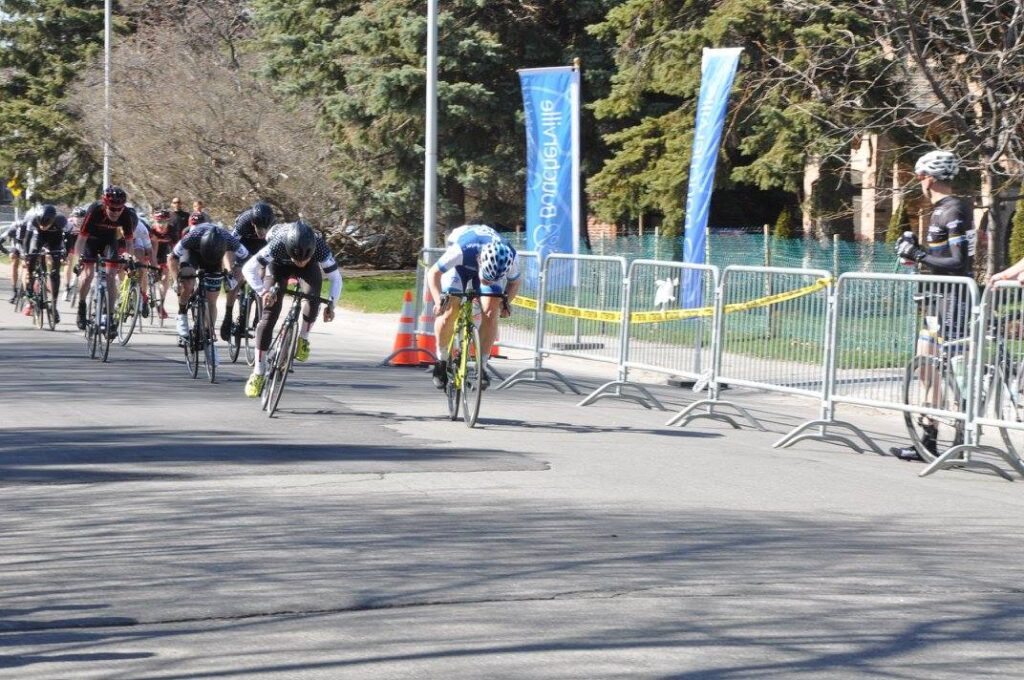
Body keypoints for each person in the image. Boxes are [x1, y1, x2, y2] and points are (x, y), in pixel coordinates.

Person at [891, 149, 975, 461]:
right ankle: (927, 442)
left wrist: (918, 254)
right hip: (936, 299)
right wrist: (916, 251)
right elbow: (941, 259)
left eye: (919, 175)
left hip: (954, 301)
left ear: (930, 178)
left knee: (953, 374)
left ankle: (961, 441)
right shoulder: (940, 209)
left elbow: (958, 261)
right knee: (926, 369)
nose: (919, 181)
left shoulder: (954, 209)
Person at [241, 220, 342, 397]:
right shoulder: (276, 244)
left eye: (305, 258)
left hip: (310, 270)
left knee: (313, 297)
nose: (300, 263)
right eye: (297, 259)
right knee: (269, 314)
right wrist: (263, 292)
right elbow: (248, 268)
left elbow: (336, 278)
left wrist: (332, 304)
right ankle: (258, 372)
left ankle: (303, 338)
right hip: (278, 266)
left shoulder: (320, 247)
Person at [426, 224, 520, 391]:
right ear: (480, 260)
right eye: (487, 277)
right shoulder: (461, 250)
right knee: (449, 310)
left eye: (492, 279)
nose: (488, 282)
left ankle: (481, 367)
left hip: (489, 262)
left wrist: (506, 303)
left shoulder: (510, 256)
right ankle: (441, 361)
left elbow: (514, 283)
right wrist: (438, 300)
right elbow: (433, 273)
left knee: (491, 313)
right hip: (460, 266)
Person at [167, 221, 248, 365]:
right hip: (192, 253)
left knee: (212, 299)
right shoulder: (192, 237)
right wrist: (176, 280)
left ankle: (209, 337)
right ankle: (182, 313)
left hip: (214, 259)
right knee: (188, 281)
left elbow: (247, 257)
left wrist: (234, 273)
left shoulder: (229, 239)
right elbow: (172, 257)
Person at [75, 186, 139, 333]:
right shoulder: (95, 210)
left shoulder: (126, 214)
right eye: (112, 208)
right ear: (105, 205)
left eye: (119, 209)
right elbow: (81, 238)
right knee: (88, 275)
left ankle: (109, 317)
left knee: (111, 276)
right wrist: (79, 258)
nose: (116, 212)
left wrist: (129, 258)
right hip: (91, 240)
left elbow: (129, 241)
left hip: (110, 240)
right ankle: (82, 304)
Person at [222, 201, 275, 341]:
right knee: (236, 277)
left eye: (265, 228)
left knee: (263, 276)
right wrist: (230, 269)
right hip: (243, 245)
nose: (262, 232)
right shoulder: (244, 222)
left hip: (262, 247)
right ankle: (228, 315)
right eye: (259, 228)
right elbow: (229, 246)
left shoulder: (273, 225)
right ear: (253, 223)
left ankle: (259, 312)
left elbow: (273, 253)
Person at [23, 205, 67, 320]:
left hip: (55, 241)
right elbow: (27, 239)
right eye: (40, 223)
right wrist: (26, 255)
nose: (43, 226)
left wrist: (64, 254)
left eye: (46, 223)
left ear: (53, 220)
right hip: (39, 239)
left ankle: (54, 307)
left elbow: (67, 240)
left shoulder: (61, 220)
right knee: (32, 255)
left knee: (55, 273)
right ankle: (30, 287)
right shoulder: (33, 220)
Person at [149, 209, 180, 319]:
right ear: (155, 221)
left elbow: (176, 247)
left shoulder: (172, 230)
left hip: (165, 257)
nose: (162, 225)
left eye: (165, 222)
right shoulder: (151, 230)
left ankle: (161, 304)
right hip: (151, 256)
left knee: (165, 279)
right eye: (159, 222)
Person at [0, 212, 34, 302]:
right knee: (14, 260)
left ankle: (26, 289)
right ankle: (14, 290)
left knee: (26, 265)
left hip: (28, 246)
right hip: (16, 246)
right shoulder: (12, 229)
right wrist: (7, 252)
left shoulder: (32, 228)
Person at [63, 206, 87, 299]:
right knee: (68, 263)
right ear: (73, 217)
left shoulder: (87, 224)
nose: (80, 219)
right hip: (70, 241)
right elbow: (64, 239)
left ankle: (76, 279)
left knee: (85, 261)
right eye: (77, 217)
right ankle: (67, 287)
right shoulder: (68, 224)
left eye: (82, 217)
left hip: (81, 240)